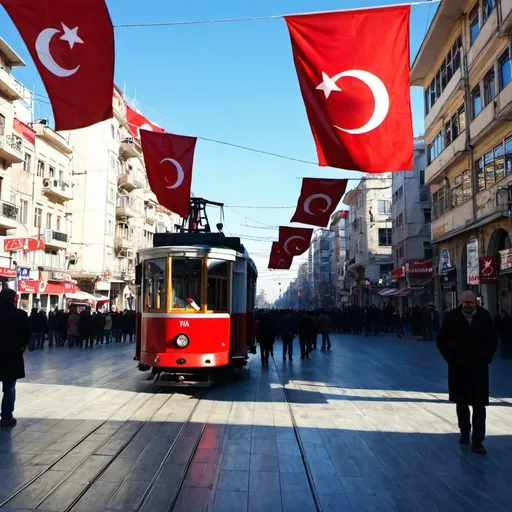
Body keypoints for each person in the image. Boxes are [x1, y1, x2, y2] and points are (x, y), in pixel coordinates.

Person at [436, 290, 497, 455]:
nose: (468, 306)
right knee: (461, 403)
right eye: (465, 303)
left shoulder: (484, 316)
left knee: (479, 406)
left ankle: (478, 441)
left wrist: (487, 357)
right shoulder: (452, 317)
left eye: (471, 303)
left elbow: (492, 339)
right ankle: (464, 432)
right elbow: (441, 341)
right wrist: (451, 358)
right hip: (459, 367)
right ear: (460, 302)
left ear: (475, 302)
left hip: (479, 368)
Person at [0, 288, 30, 427]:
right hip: (12, 356)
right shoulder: (20, 315)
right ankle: (6, 416)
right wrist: (21, 348)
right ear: (13, 299)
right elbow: (25, 337)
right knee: (9, 387)